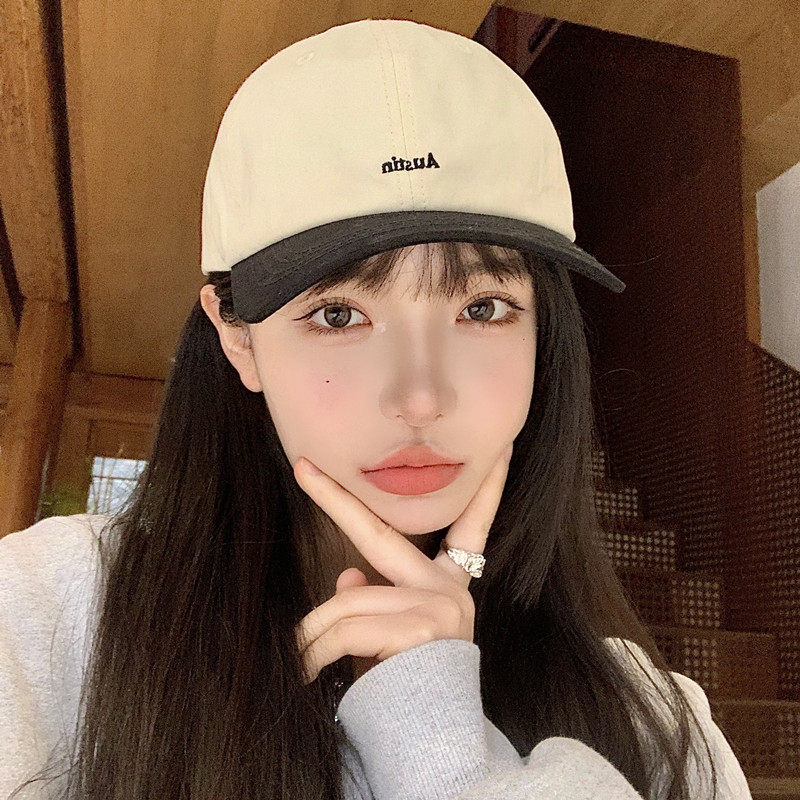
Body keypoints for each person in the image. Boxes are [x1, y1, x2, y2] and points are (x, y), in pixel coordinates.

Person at [0, 17, 752, 800]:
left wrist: (438, 745)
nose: (421, 398)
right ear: (238, 339)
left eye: (483, 307)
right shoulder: (47, 616)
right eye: (338, 315)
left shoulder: (655, 724)